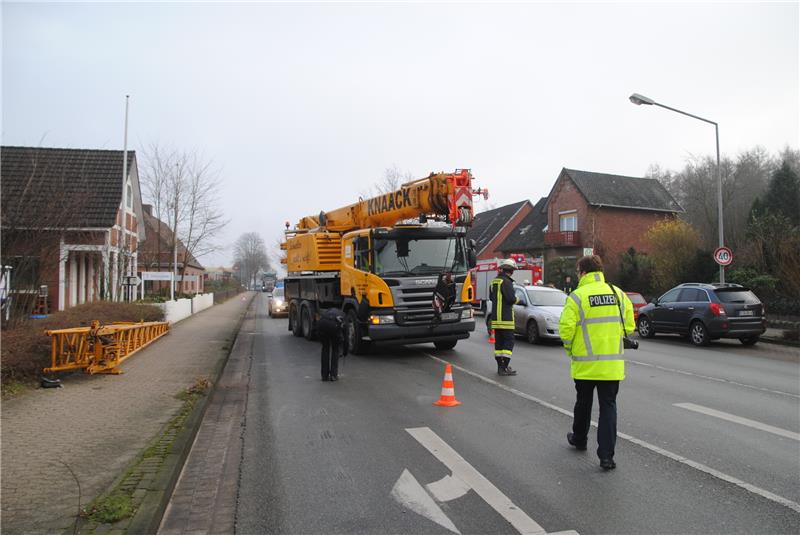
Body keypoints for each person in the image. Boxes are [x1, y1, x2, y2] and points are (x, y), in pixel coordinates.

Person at [559, 255, 635, 470]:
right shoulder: (617, 293)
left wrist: (571, 350)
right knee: (608, 408)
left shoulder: (577, 296)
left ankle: (580, 439)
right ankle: (606, 457)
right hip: (611, 365)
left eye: (577, 271)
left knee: (583, 403)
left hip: (584, 363)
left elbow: (566, 329)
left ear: (582, 272)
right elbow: (629, 326)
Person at [489, 258, 519, 376]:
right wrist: (518, 299)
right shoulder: (506, 282)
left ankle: (500, 367)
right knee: (509, 341)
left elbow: (492, 298)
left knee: (499, 344)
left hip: (496, 318)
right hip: (506, 318)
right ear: (511, 270)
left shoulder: (494, 282)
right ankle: (505, 366)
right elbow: (511, 299)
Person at [317, 306, 348, 381]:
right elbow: (346, 337)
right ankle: (333, 376)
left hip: (322, 325)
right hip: (334, 327)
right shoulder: (344, 316)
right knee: (335, 349)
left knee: (325, 349)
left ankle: (324, 376)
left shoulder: (327, 311)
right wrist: (345, 352)